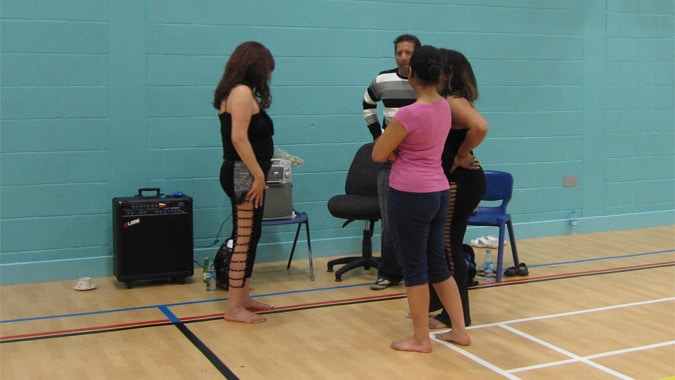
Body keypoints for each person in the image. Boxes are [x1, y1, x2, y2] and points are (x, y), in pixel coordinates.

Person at [372, 45, 471, 352]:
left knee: (414, 268)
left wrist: (394, 147)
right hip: (439, 191)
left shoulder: (408, 114)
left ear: (411, 73)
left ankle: (420, 339)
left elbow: (378, 153)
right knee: (438, 263)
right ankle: (459, 330)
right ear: (441, 75)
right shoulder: (444, 106)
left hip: (410, 194)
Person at [213, 41, 276, 324]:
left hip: (247, 171)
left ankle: (243, 297)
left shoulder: (242, 92)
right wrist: (259, 175)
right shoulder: (239, 92)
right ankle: (233, 307)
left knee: (252, 235)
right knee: (244, 237)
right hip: (243, 173)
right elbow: (238, 138)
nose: (268, 76)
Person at [427, 49, 488, 331]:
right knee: (441, 245)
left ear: (448, 73)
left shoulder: (453, 101)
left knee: (448, 247)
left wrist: (463, 153)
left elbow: (481, 127)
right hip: (455, 181)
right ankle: (442, 307)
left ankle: (457, 317)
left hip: (459, 183)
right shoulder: (453, 101)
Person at [362, 34, 421, 290]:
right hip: (390, 160)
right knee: (390, 219)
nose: (404, 57)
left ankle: (415, 272)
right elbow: (367, 103)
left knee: (417, 219)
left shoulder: (426, 83)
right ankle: (388, 273)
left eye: (408, 53)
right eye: (399, 53)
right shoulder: (383, 79)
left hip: (418, 160)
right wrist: (379, 137)